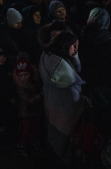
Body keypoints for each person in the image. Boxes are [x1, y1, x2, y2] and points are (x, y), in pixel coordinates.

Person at [39, 31, 87, 167]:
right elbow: (74, 80)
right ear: (64, 45)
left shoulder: (47, 57)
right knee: (62, 143)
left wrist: (74, 56)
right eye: (73, 46)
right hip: (63, 110)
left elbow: (76, 69)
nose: (76, 49)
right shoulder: (62, 70)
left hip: (51, 105)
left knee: (54, 138)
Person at [13, 57, 42, 157]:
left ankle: (32, 143)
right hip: (25, 112)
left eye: (26, 74)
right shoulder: (20, 86)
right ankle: (21, 145)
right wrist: (40, 95)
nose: (24, 77)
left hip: (35, 110)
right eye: (21, 75)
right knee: (25, 129)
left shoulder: (35, 81)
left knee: (35, 128)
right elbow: (27, 101)